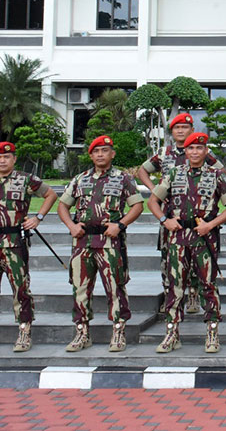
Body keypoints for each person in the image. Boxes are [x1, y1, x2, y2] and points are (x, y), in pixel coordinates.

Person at [146, 132, 226, 354]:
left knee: (208, 285)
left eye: (199, 148)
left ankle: (212, 332)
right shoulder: (173, 173)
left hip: (204, 239)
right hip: (177, 238)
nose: (195, 152)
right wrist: (165, 220)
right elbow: (153, 201)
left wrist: (211, 224)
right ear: (185, 151)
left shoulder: (217, 175)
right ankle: (172, 333)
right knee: (175, 285)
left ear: (206, 151)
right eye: (191, 148)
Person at [0, 141, 57, 353]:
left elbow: (50, 194)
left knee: (21, 289)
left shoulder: (26, 179)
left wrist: (38, 217)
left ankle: (24, 332)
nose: (2, 160)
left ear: (14, 159)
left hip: (15, 243)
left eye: (7, 157)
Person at [56, 135, 144, 353]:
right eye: (96, 151)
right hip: (82, 242)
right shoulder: (80, 179)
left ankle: (118, 331)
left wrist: (120, 225)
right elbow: (62, 206)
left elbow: (137, 206)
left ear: (112, 154)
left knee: (115, 287)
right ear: (91, 155)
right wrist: (71, 226)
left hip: (110, 242)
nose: (100, 155)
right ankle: (82, 333)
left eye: (105, 151)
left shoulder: (123, 179)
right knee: (80, 288)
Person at [138, 112, 225, 316]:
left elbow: (223, 172)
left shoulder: (204, 152)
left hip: (197, 216)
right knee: (169, 256)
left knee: (198, 257)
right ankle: (171, 296)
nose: (180, 131)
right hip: (170, 214)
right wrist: (156, 191)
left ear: (192, 130)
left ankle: (193, 294)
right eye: (177, 128)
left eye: (184, 127)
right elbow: (142, 171)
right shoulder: (164, 153)